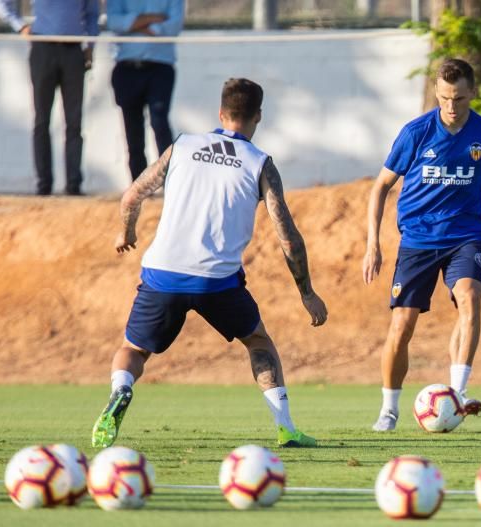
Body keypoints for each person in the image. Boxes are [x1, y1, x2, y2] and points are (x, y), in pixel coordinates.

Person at [91, 78, 328, 449]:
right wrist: (307, 292)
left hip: (163, 273)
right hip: (217, 282)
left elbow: (131, 196)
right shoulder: (260, 163)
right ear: (258, 116)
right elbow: (287, 236)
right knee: (258, 341)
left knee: (134, 350)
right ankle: (285, 427)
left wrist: (126, 232)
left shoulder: (182, 146)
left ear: (220, 113)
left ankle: (121, 390)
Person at [363, 58, 481, 432]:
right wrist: (374, 243)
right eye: (446, 98)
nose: (452, 107)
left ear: (472, 94)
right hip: (417, 239)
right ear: (436, 92)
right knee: (402, 325)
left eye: (460, 99)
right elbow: (381, 186)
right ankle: (388, 409)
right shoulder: (416, 132)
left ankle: (458, 394)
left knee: (469, 297)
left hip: (467, 236)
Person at [0, 0, 99, 195]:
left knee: (74, 123)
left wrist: (90, 45)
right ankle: (44, 184)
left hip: (73, 50)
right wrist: (19, 25)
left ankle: (74, 185)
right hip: (43, 48)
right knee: (41, 121)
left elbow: (91, 14)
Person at [106, 0, 185, 181]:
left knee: (160, 124)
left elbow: (173, 26)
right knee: (132, 129)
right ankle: (139, 185)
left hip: (160, 67)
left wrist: (134, 24)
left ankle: (170, 182)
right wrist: (151, 21)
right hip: (127, 68)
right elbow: (113, 22)